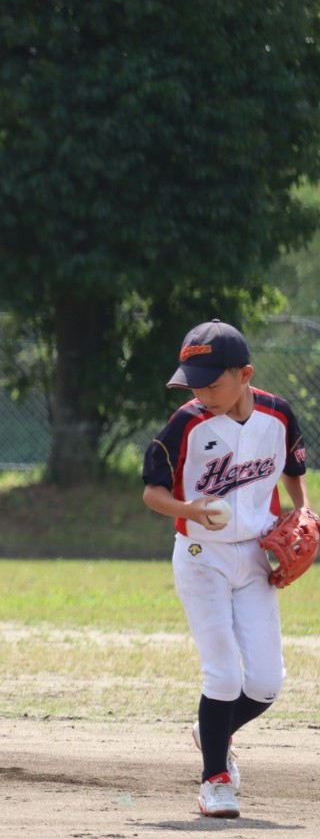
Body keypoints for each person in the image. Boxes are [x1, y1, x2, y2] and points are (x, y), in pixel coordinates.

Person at [141, 318, 309, 819]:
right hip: (201, 558)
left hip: (256, 555)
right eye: (194, 383)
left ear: (245, 374)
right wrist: (189, 511)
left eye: (212, 382)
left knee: (264, 683)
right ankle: (215, 779)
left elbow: (295, 471)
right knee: (223, 675)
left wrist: (303, 513)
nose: (202, 392)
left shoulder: (278, 414)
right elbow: (153, 492)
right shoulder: (186, 423)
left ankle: (210, 731)